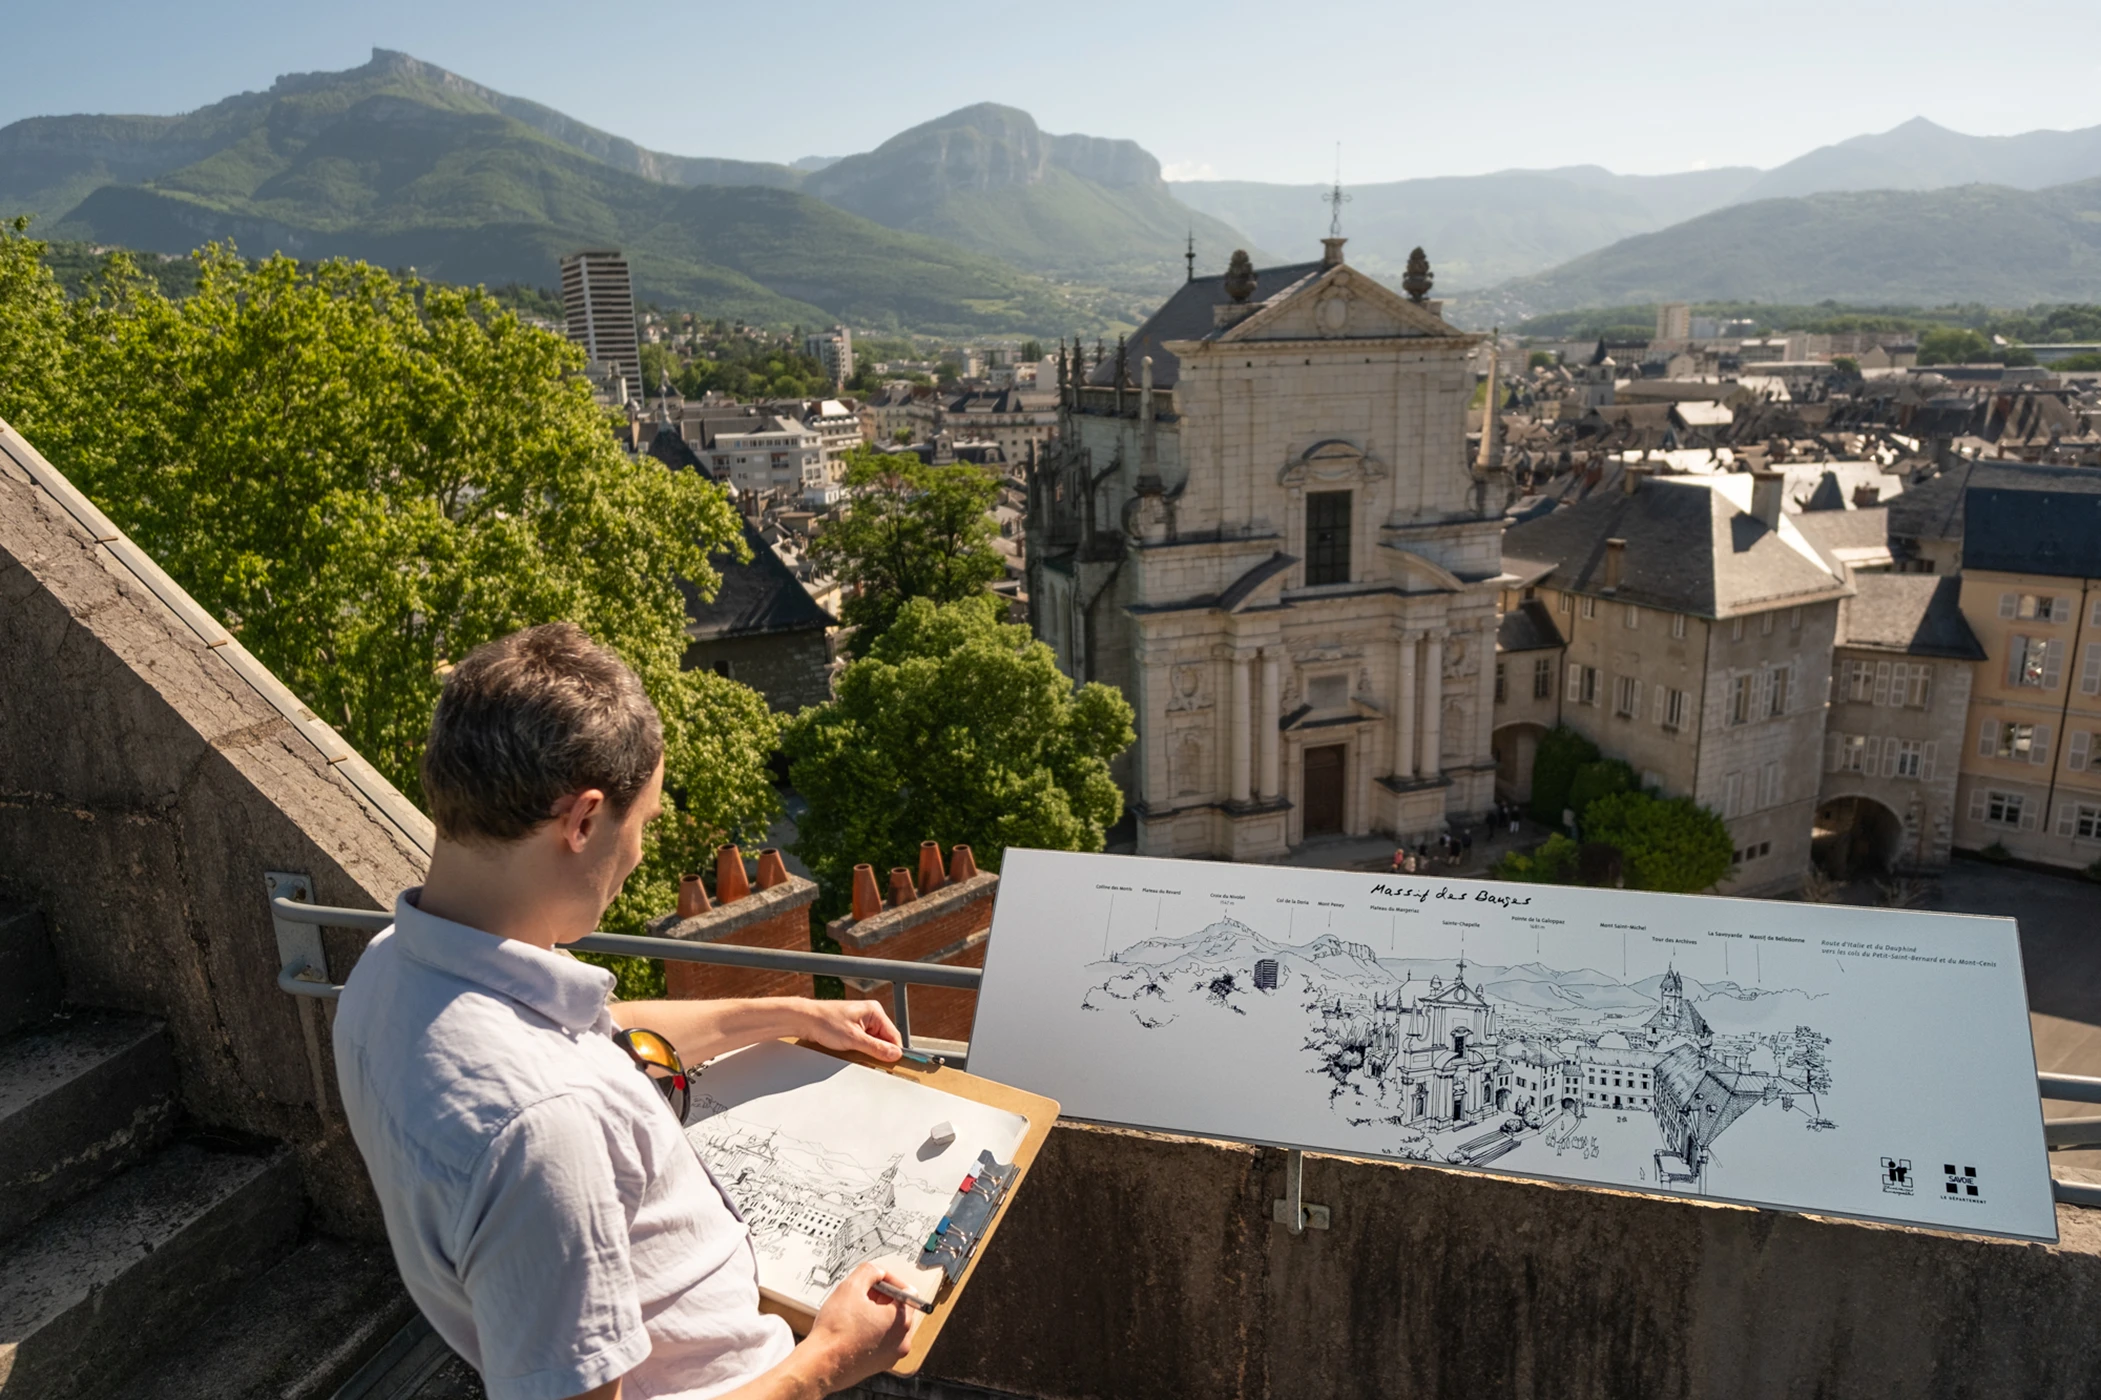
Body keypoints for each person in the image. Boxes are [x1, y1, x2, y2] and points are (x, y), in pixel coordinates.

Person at [334, 624, 918, 1400]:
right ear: (581, 821)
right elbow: (552, 1105)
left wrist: (785, 1013)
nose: (639, 854)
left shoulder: (390, 969)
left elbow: (587, 1036)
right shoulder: (545, 1129)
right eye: (639, 823)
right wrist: (831, 1359)